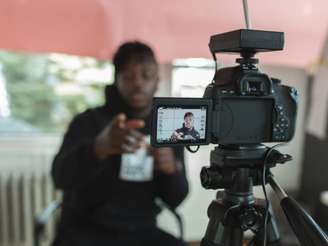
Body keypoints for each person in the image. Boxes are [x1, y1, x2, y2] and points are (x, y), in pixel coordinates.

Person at [51, 41, 189, 246]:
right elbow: (59, 177)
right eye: (129, 75)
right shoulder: (87, 121)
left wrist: (172, 171)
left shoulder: (168, 128)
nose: (138, 83)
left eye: (146, 75)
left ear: (157, 80)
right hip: (86, 229)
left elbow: (176, 199)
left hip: (142, 230)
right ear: (116, 79)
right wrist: (97, 148)